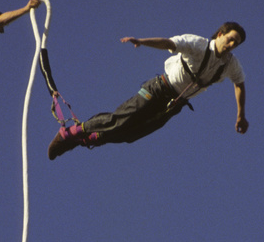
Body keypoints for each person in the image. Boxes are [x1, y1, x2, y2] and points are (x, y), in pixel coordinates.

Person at [48, 23, 248, 159]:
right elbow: (169, 43)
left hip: (173, 105)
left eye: (236, 44)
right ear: (220, 34)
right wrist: (142, 41)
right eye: (230, 39)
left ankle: (87, 139)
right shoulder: (199, 44)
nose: (231, 45)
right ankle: (70, 133)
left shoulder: (230, 64)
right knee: (121, 119)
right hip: (160, 88)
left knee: (132, 134)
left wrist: (240, 115)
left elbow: (239, 83)